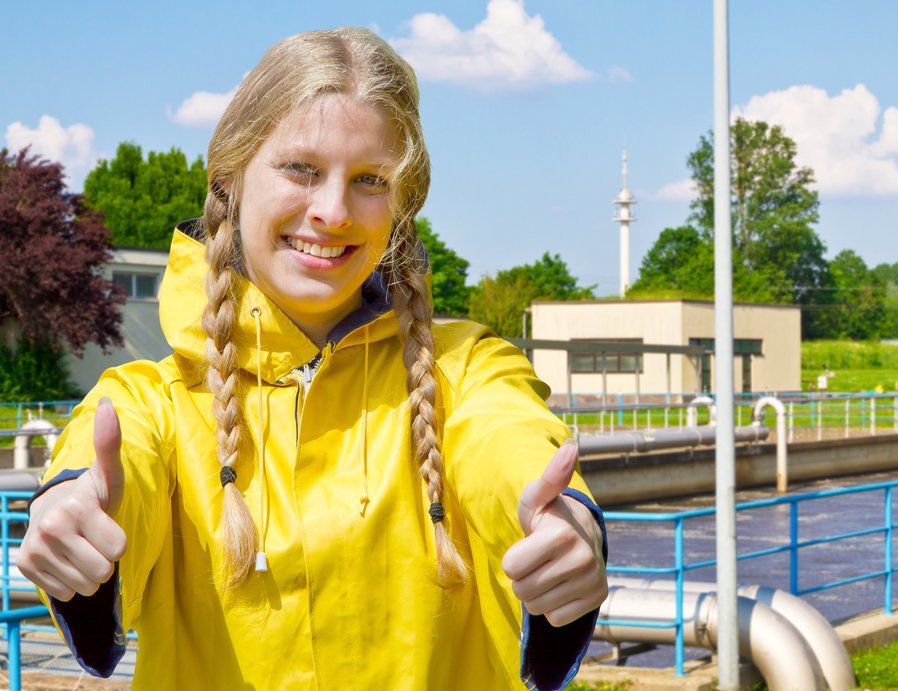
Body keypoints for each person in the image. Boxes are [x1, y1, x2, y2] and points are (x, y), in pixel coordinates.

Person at [16, 27, 607, 690]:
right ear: (231, 178)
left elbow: (509, 442)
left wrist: (564, 524)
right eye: (300, 169)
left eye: (370, 180)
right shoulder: (148, 402)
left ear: (402, 204)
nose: (332, 211)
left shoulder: (469, 371)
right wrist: (73, 516)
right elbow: (112, 469)